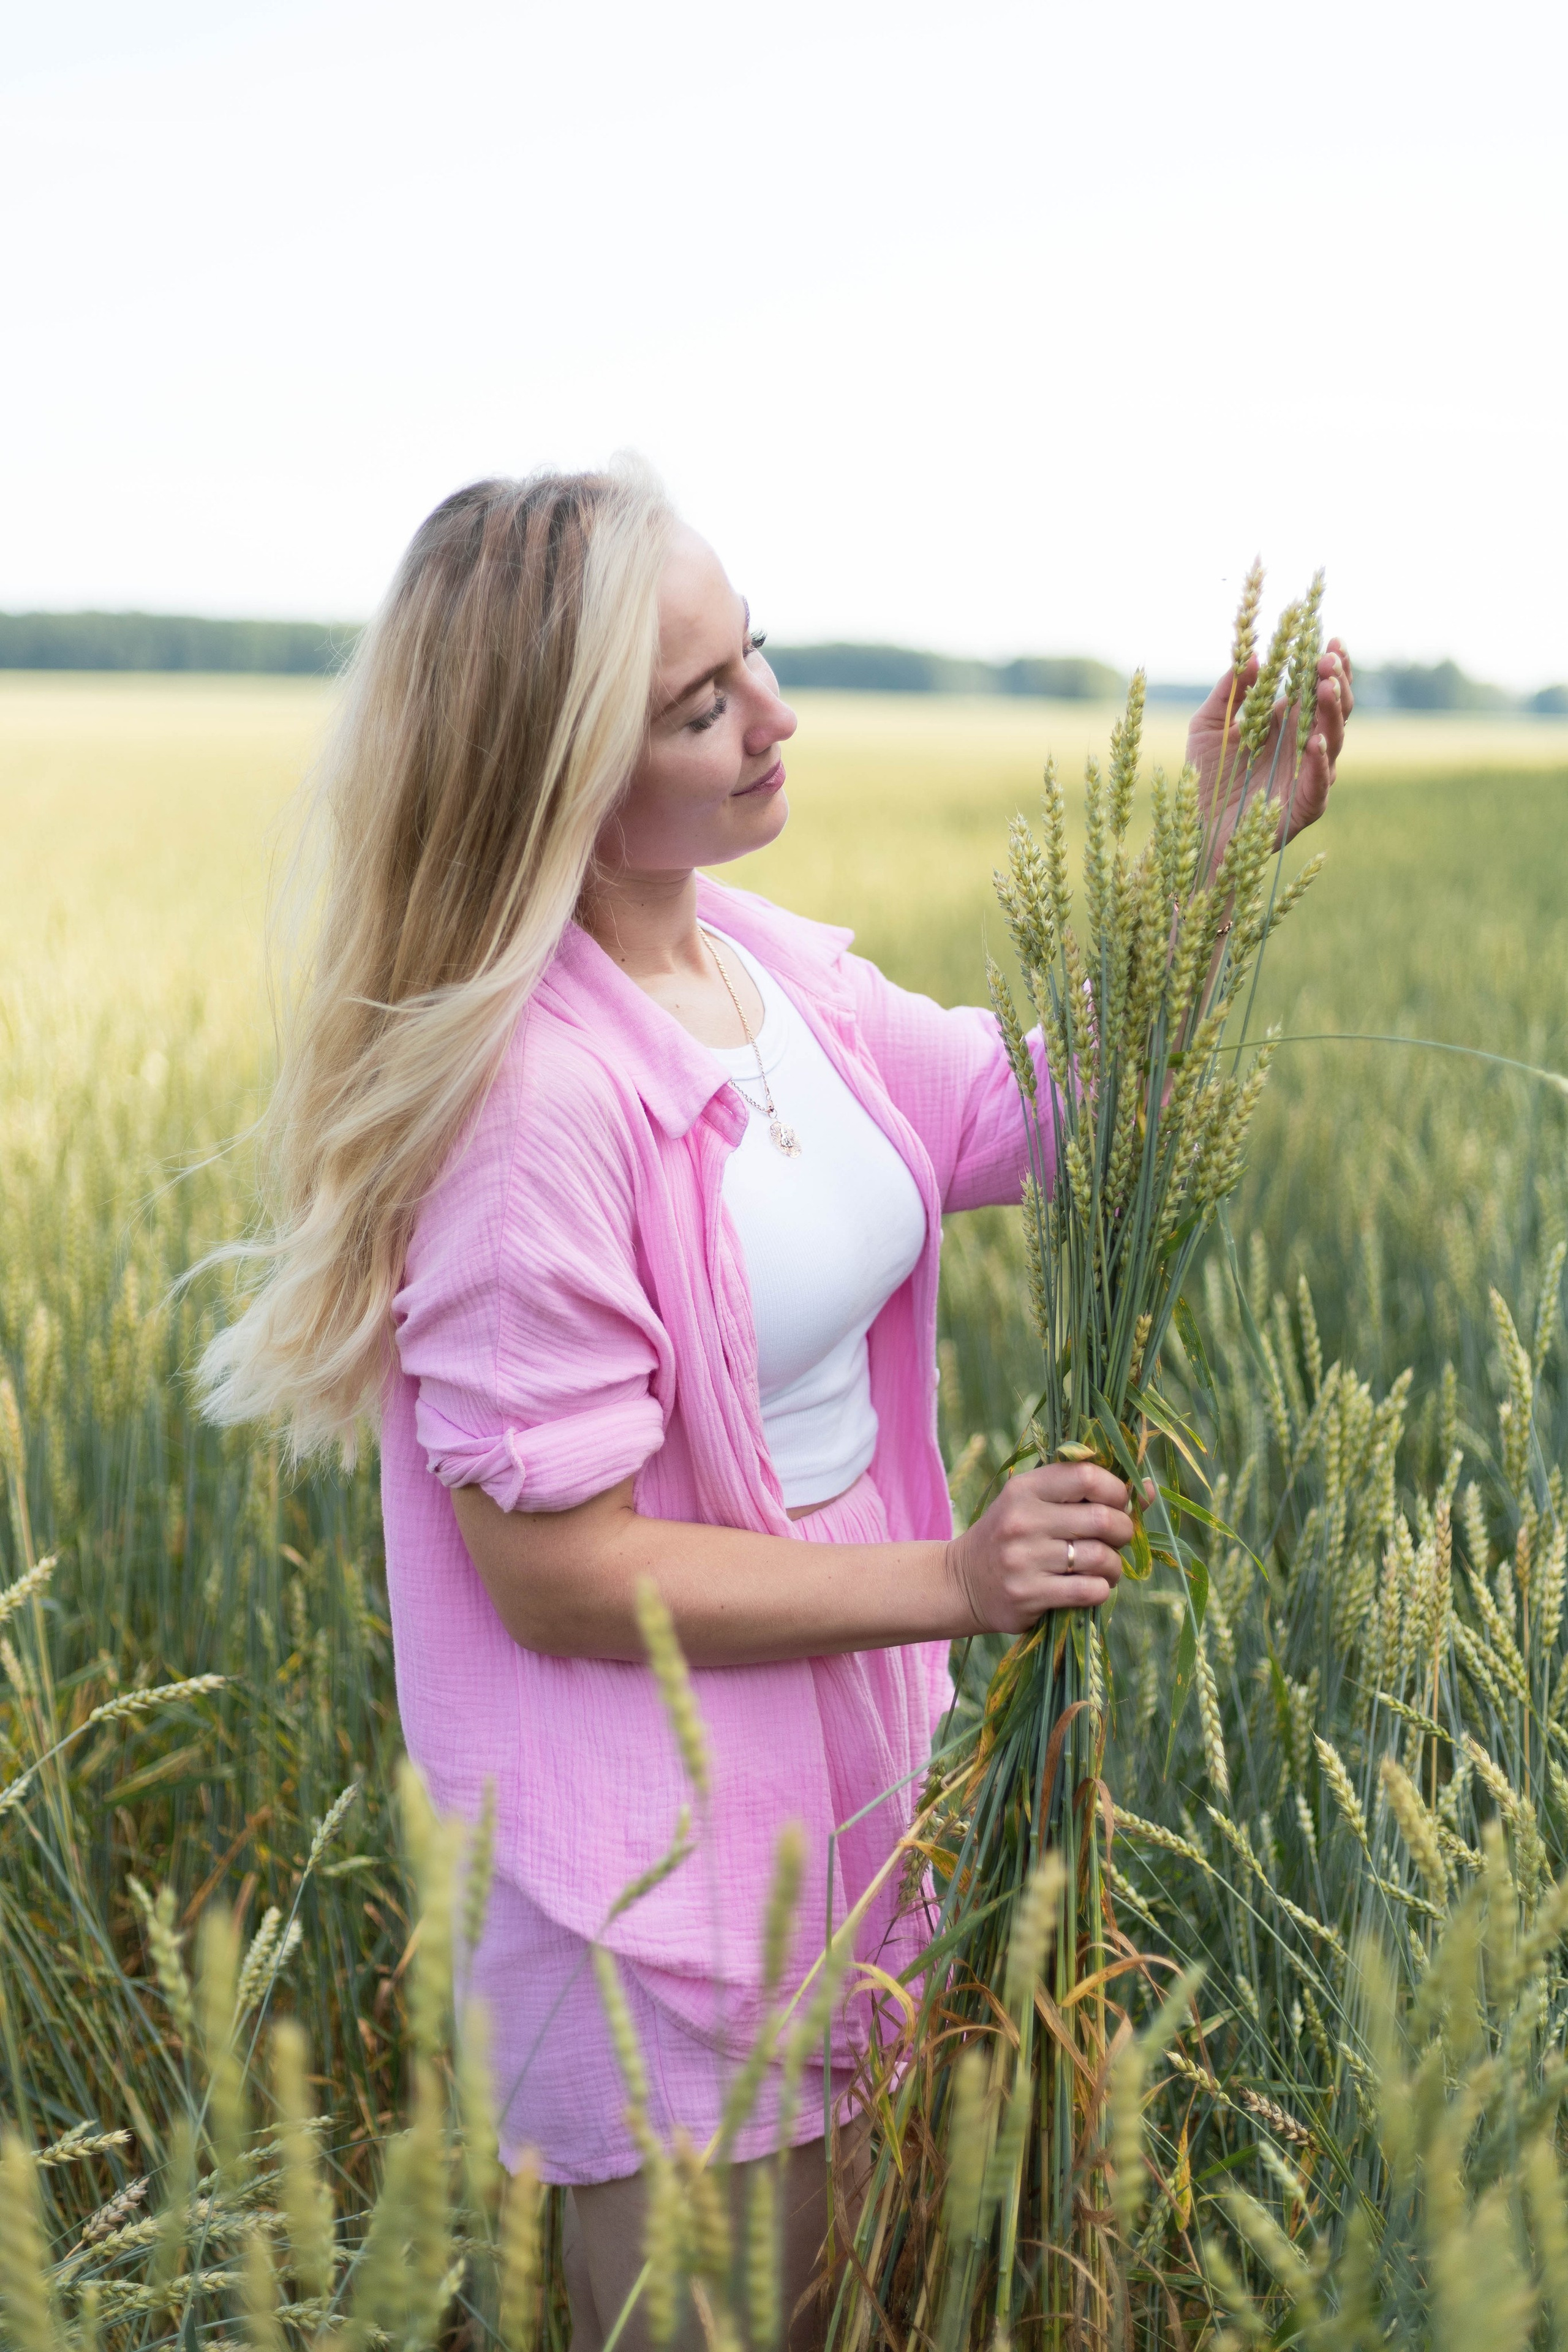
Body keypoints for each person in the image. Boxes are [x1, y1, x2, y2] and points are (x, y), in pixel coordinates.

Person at [201, 467, 1352, 2350]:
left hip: (860, 1783)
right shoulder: (533, 1115)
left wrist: (1220, 855)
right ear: (559, 779)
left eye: (756, 657)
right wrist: (957, 1582)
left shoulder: (760, 969)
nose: (777, 717)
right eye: (701, 705)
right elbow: (554, 1574)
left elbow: (1044, 1116)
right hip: (655, 1865)